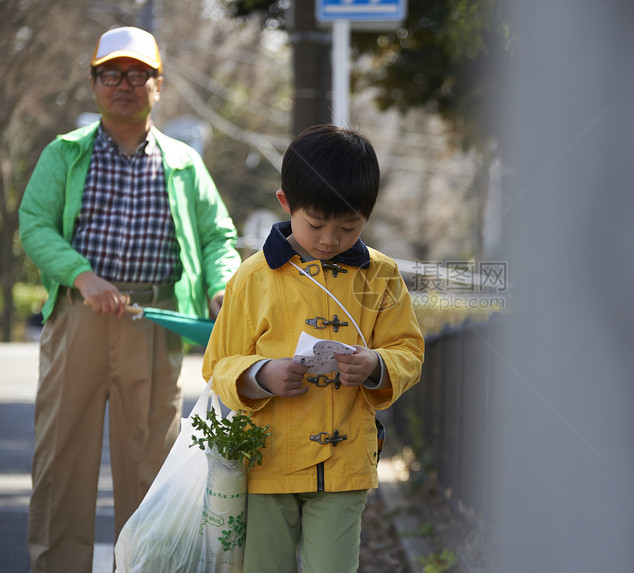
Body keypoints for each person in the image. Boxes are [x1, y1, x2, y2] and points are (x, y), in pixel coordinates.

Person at [18, 26, 242, 572]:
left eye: (138, 74)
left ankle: (144, 567)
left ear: (158, 85)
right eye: (111, 74)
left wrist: (220, 287)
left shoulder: (185, 163)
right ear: (94, 83)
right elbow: (35, 224)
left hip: (155, 320)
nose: (124, 84)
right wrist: (82, 276)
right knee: (62, 459)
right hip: (80, 315)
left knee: (150, 464)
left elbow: (219, 237)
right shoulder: (65, 154)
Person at [202, 123, 424, 572]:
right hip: (265, 463)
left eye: (349, 226)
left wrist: (376, 364)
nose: (329, 239)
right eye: (316, 224)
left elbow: (409, 350)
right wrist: (260, 375)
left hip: (344, 468)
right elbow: (218, 365)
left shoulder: (380, 276)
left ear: (367, 214)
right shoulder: (252, 276)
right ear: (286, 203)